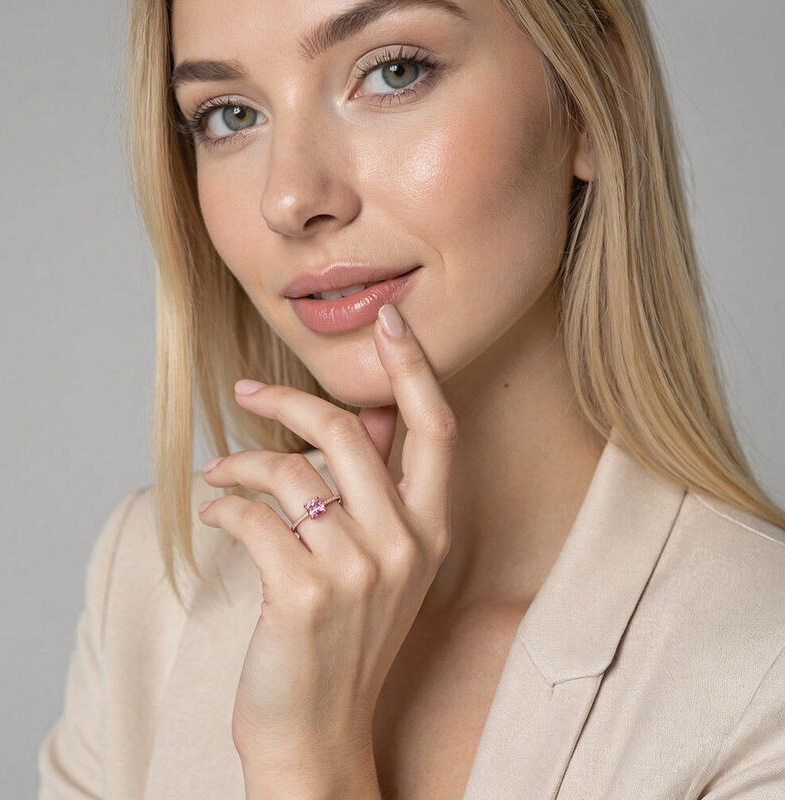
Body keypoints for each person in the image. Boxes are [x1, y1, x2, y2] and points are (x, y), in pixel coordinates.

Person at [38, 0, 785, 798]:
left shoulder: (758, 676)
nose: (289, 198)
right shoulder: (153, 584)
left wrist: (304, 760)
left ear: (597, 101)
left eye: (393, 72)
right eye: (231, 114)